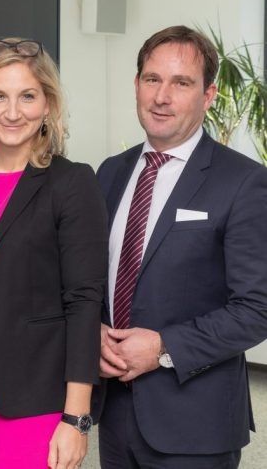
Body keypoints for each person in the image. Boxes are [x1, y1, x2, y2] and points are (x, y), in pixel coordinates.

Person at [94, 25, 267, 468]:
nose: (161, 96)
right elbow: (94, 278)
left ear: (208, 96)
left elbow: (257, 308)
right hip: (114, 413)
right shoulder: (110, 173)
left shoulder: (244, 182)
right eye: (152, 79)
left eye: (181, 83)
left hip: (196, 424)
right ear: (136, 85)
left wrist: (163, 347)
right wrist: (91, 333)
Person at [0, 38, 108, 469]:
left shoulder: (72, 184)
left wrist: (76, 418)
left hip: (33, 401)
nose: (12, 113)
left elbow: (84, 303)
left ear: (48, 103)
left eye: (28, 96)